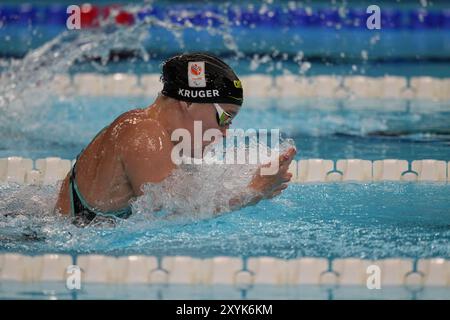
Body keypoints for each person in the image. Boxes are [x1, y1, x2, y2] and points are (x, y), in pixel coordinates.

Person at [55, 52, 296, 226]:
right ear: (189, 102)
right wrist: (253, 191)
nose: (225, 131)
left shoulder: (150, 131)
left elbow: (186, 196)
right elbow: (174, 214)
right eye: (224, 117)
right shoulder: (144, 134)